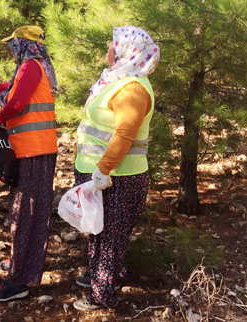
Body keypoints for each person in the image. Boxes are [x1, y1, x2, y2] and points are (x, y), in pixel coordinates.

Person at [0, 26, 58, 302]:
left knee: (26, 211)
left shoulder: (30, 67)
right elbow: (7, 89)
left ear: (22, 44)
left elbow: (14, 103)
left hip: (34, 151)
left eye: (14, 44)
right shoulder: (33, 68)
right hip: (33, 150)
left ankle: (19, 280)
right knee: (26, 210)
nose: (11, 49)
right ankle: (24, 263)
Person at [72, 26, 160, 311]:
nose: (107, 47)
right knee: (100, 230)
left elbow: (125, 134)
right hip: (101, 172)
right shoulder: (118, 78)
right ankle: (104, 278)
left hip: (117, 177)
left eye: (112, 44)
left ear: (127, 51)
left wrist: (103, 169)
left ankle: (102, 295)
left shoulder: (132, 88)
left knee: (109, 235)